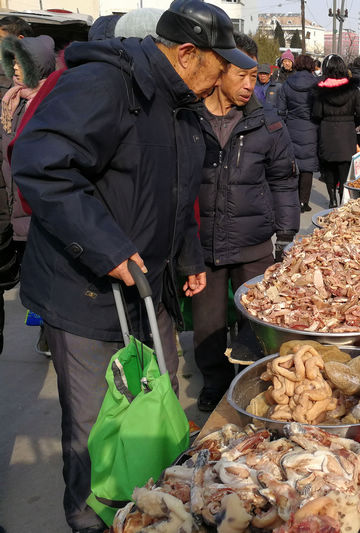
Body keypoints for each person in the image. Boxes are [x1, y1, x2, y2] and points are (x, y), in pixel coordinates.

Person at [11, 1, 256, 530]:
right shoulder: (106, 85)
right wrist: (106, 246)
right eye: (220, 64)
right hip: (88, 293)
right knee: (99, 432)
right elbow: (38, 162)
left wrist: (188, 254)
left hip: (150, 290)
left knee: (155, 419)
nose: (222, 78)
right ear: (188, 54)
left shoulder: (179, 101)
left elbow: (176, 191)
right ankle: (93, 522)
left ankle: (148, 514)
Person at [194, 33, 299, 412]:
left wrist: (286, 234)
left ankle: (254, 380)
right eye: (242, 75)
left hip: (252, 239)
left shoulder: (266, 122)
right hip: (202, 242)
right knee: (207, 324)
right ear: (219, 71)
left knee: (257, 320)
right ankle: (214, 382)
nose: (249, 85)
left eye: (255, 77)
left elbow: (284, 180)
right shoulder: (189, 117)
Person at [0, 34, 56, 356]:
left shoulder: (52, 99)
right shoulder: (9, 100)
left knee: (45, 276)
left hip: (38, 207)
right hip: (12, 206)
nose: (16, 70)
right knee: (30, 280)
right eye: (13, 63)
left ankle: (51, 334)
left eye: (23, 63)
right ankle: (46, 329)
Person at [313, 53, 360, 208]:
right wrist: (352, 123)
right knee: (344, 170)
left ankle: (332, 199)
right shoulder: (353, 89)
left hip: (327, 131)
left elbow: (316, 113)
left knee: (328, 169)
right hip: (347, 133)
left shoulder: (320, 90)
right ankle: (342, 198)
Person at [278, 53, 319, 213]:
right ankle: (304, 202)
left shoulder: (288, 83)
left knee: (294, 165)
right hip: (311, 127)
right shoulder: (316, 84)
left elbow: (281, 109)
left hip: (292, 127)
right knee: (307, 166)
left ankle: (293, 200)